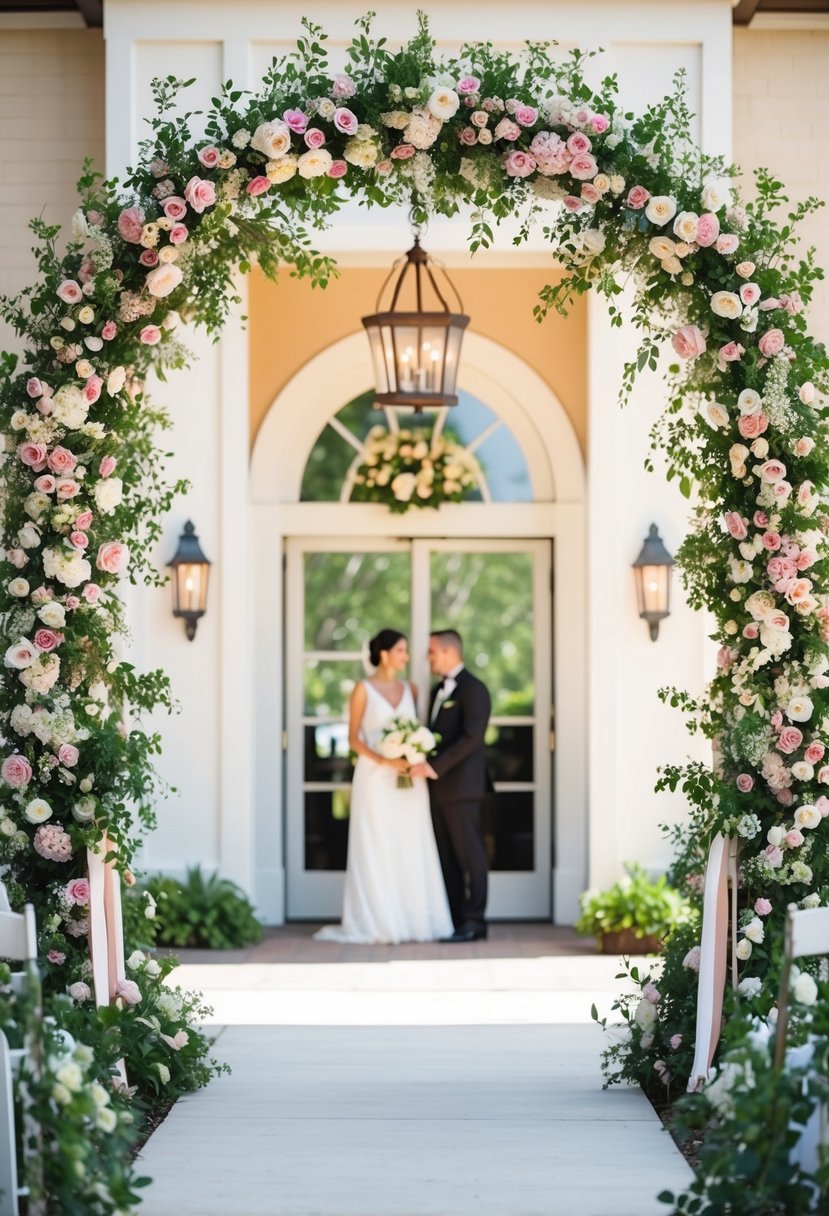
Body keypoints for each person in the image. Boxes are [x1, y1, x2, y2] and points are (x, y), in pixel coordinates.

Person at [314, 629, 453, 944]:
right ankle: (379, 921)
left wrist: (411, 751)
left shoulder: (412, 690)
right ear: (386, 653)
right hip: (375, 778)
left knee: (410, 844)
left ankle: (413, 920)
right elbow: (353, 739)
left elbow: (414, 730)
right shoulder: (363, 689)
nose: (407, 656)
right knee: (376, 845)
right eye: (402, 650)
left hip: (407, 780)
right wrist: (384, 759)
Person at [410, 629, 492, 943]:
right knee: (446, 857)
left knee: (471, 857)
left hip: (462, 790)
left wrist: (433, 766)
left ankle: (475, 921)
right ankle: (455, 919)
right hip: (436, 789)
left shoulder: (475, 690)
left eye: (431, 652)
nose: (427, 658)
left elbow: (472, 738)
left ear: (448, 652)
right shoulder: (436, 690)